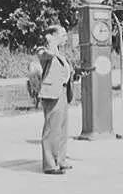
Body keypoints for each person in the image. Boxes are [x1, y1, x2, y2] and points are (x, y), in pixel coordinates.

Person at [37, 25, 88, 175]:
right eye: (62, 35)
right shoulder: (43, 50)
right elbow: (47, 55)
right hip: (52, 93)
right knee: (52, 129)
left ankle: (60, 159)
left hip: (63, 92)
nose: (66, 37)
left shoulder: (61, 54)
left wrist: (77, 74)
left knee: (62, 129)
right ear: (51, 36)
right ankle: (50, 164)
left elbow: (65, 72)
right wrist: (50, 42)